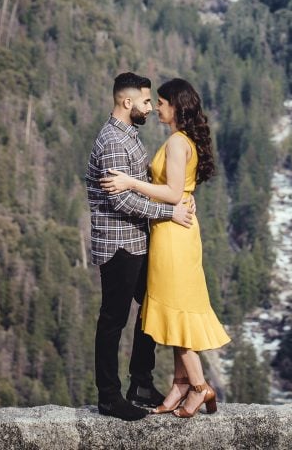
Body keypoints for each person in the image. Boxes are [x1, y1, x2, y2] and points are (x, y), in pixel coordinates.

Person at [102, 77, 230, 418]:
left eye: (160, 102)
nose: (156, 107)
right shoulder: (182, 140)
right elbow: (178, 190)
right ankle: (180, 384)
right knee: (172, 308)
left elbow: (173, 194)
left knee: (174, 310)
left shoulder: (176, 143)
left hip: (172, 234)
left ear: (175, 107)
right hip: (169, 231)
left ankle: (200, 387)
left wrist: (130, 182)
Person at [86, 72, 195, 421]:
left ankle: (141, 383)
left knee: (151, 306)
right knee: (113, 319)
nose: (150, 107)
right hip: (118, 243)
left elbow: (137, 186)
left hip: (137, 241)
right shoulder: (114, 142)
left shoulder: (128, 135)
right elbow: (123, 202)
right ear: (127, 102)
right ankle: (109, 396)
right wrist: (169, 212)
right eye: (146, 101)